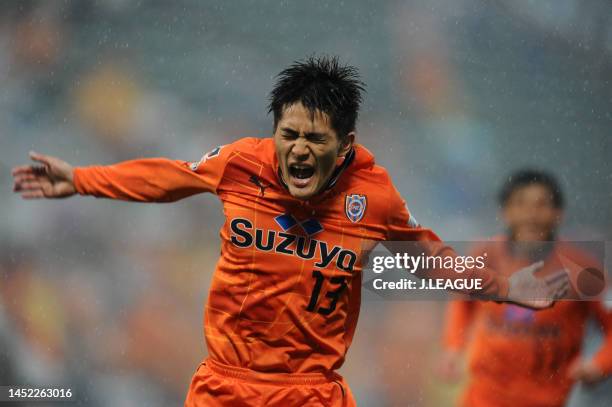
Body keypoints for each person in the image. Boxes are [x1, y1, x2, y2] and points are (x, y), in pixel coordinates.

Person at [12, 56, 565, 406]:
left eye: (315, 139)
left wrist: (505, 287)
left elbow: (431, 257)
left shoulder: (374, 197)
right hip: (225, 386)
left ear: (345, 146)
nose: (297, 150)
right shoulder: (241, 163)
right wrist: (81, 179)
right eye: (288, 133)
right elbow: (168, 177)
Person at [438, 169, 612, 407]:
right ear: (505, 212)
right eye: (520, 204)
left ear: (558, 214)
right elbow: (461, 299)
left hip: (549, 400)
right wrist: (453, 347)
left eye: (541, 205)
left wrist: (599, 365)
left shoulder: (582, 270)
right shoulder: (485, 257)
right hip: (484, 398)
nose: (531, 215)